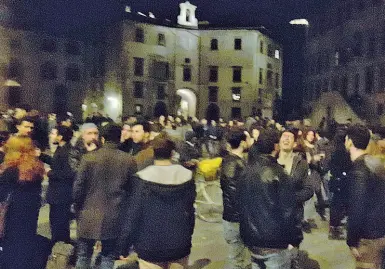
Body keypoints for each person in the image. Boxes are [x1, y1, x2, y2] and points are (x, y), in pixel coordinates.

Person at [118, 136, 196, 269]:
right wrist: (187, 235)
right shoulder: (187, 177)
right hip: (179, 242)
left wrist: (123, 246)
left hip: (150, 245)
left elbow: (133, 214)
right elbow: (190, 212)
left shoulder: (142, 179)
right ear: (172, 153)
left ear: (154, 153)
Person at [73, 124, 137, 269]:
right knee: (108, 257)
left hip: (88, 213)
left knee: (83, 256)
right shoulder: (129, 160)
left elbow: (78, 188)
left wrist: (77, 206)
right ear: (119, 138)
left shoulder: (88, 158)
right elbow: (132, 190)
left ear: (102, 138)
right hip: (114, 215)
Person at [237, 129, 299, 269]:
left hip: (251, 238)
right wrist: (294, 239)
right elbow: (288, 211)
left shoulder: (246, 171)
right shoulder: (278, 173)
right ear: (275, 146)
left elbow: (240, 203)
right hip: (274, 242)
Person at [0, 136, 45, 269]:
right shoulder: (36, 168)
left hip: (12, 213)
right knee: (25, 243)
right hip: (30, 213)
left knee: (10, 246)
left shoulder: (11, 171)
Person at [345, 124, 385, 269]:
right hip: (381, 233)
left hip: (368, 238)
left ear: (349, 141)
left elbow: (357, 208)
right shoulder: (377, 164)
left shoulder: (359, 171)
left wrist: (352, 241)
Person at [277, 130, 313, 268]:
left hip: (294, 218)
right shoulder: (271, 161)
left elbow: (309, 189)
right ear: (279, 141)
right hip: (273, 219)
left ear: (295, 143)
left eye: (290, 137)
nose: (286, 139)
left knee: (293, 259)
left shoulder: (301, 163)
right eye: (284, 137)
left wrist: (292, 198)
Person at [220, 130, 251, 269]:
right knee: (236, 260)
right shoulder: (234, 164)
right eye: (249, 139)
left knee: (238, 257)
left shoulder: (233, 161)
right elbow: (235, 195)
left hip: (234, 218)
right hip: (236, 220)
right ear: (243, 143)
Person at [46, 126, 75, 244]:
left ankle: (61, 250)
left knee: (59, 224)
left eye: (53, 133)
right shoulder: (61, 148)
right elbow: (57, 164)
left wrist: (49, 173)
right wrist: (42, 157)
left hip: (61, 195)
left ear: (60, 137)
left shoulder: (68, 151)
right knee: (57, 223)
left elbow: (68, 173)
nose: (51, 135)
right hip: (57, 194)